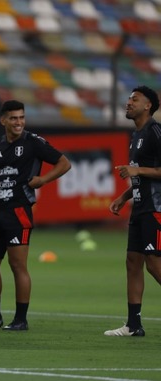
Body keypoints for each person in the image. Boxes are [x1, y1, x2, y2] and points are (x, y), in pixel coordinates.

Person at [0, 100, 71, 331]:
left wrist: (43, 180)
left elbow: (64, 163)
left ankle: (21, 319)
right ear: (3, 121)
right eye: (13, 118)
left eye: (21, 117)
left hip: (19, 212)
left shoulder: (33, 142)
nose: (18, 122)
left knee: (17, 265)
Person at [106, 86, 161, 337]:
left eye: (135, 99)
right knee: (133, 262)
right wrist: (123, 196)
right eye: (129, 98)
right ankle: (133, 325)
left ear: (148, 106)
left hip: (156, 207)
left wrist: (136, 171)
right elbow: (141, 173)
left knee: (154, 264)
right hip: (140, 207)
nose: (129, 102)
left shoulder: (155, 131)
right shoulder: (136, 135)